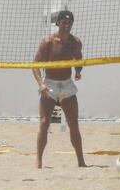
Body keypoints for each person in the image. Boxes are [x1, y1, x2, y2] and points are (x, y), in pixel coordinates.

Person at [32, 10, 87, 169]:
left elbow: (79, 59)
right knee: (44, 122)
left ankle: (81, 161)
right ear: (58, 23)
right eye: (64, 22)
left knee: (73, 124)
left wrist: (78, 71)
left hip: (67, 84)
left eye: (69, 22)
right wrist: (40, 84)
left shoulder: (75, 42)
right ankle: (39, 161)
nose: (67, 25)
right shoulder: (48, 42)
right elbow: (35, 65)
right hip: (50, 84)